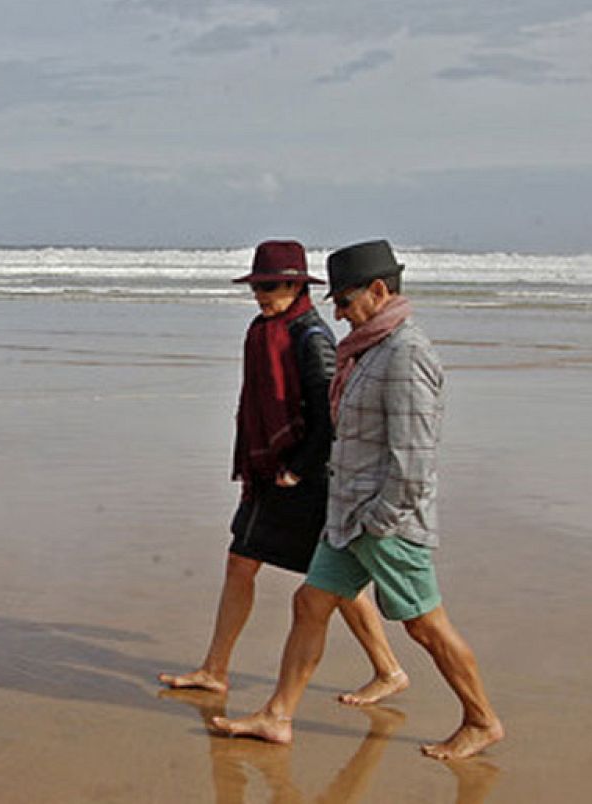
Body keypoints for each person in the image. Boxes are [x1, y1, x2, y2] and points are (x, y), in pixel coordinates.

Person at [210, 239, 505, 762]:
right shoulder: (370, 349)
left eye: (345, 302)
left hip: (384, 522)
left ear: (378, 291)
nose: (339, 314)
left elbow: (414, 459)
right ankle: (278, 716)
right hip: (348, 517)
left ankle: (482, 720)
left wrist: (379, 521)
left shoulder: (406, 354)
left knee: (424, 626)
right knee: (309, 603)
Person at [159, 240, 409, 706]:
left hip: (306, 479)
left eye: (270, 287)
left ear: (296, 286)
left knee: (332, 579)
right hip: (270, 475)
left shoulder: (311, 337)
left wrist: (296, 469)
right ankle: (215, 669)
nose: (261, 296)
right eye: (256, 287)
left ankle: (389, 669)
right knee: (245, 562)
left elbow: (329, 415)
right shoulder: (264, 331)